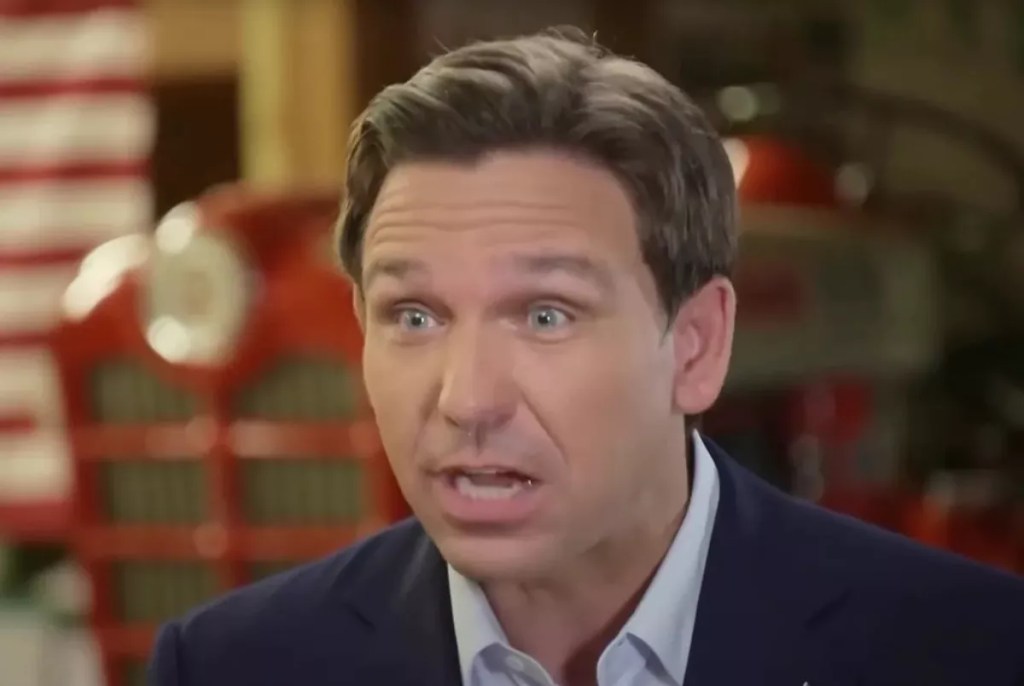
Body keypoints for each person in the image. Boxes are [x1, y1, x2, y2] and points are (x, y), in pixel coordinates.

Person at [148, 28, 1024, 686]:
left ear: (697, 345)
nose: (466, 400)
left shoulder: (968, 650)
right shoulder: (232, 666)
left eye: (545, 314)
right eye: (414, 316)